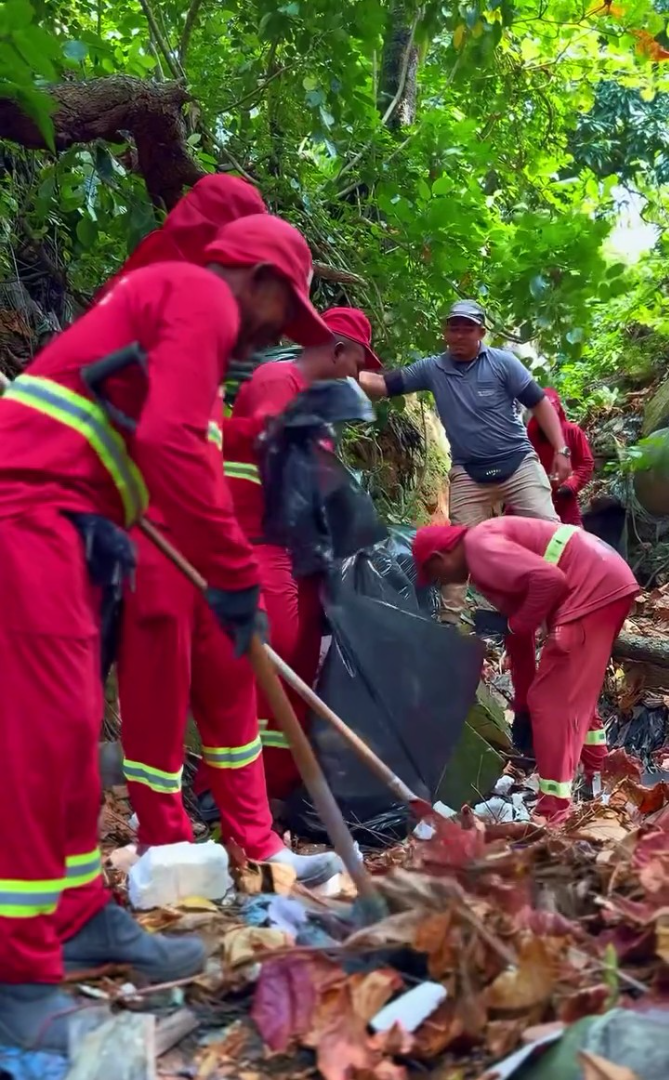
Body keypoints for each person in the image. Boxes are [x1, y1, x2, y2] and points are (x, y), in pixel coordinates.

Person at [0, 211, 333, 1053]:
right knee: (40, 744)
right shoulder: (198, 294)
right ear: (257, 278)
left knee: (72, 734)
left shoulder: (173, 309)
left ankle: (78, 918)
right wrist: (232, 575)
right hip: (29, 511)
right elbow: (173, 441)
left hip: (69, 522)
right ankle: (18, 976)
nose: (276, 338)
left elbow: (171, 439)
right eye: (284, 313)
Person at [113, 178, 340, 888]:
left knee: (231, 674)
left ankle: (259, 841)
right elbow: (162, 437)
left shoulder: (203, 303)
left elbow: (199, 427)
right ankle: (167, 844)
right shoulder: (173, 288)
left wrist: (256, 432)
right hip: (152, 523)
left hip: (192, 522)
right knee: (159, 684)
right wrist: (232, 561)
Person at [217, 307, 382, 800]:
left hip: (300, 552)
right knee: (275, 655)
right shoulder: (278, 380)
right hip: (263, 540)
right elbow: (280, 462)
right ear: (338, 350)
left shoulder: (313, 402)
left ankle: (279, 785)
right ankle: (228, 786)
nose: (357, 375)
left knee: (301, 663)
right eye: (357, 364)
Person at [412, 518, 639, 822]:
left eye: (434, 574)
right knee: (571, 694)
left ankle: (553, 811)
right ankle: (598, 781)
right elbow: (519, 637)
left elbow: (550, 581)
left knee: (551, 700)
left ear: (440, 558)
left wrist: (515, 624)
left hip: (593, 588)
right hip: (604, 580)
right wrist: (522, 706)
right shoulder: (485, 555)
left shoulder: (479, 548)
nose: (440, 582)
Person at [360, 300, 570, 623]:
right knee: (459, 546)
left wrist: (561, 450)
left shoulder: (503, 363)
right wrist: (341, 369)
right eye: (453, 328)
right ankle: (450, 621)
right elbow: (384, 385)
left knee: (551, 532)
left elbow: (539, 402)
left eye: (467, 329)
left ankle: (566, 606)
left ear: (481, 333)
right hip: (469, 472)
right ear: (445, 332)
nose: (459, 335)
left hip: (518, 463)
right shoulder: (432, 368)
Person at [526, 387, 594, 526]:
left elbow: (586, 463)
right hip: (536, 500)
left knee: (572, 535)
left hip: (564, 500)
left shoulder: (572, 431)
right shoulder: (529, 435)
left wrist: (571, 485)